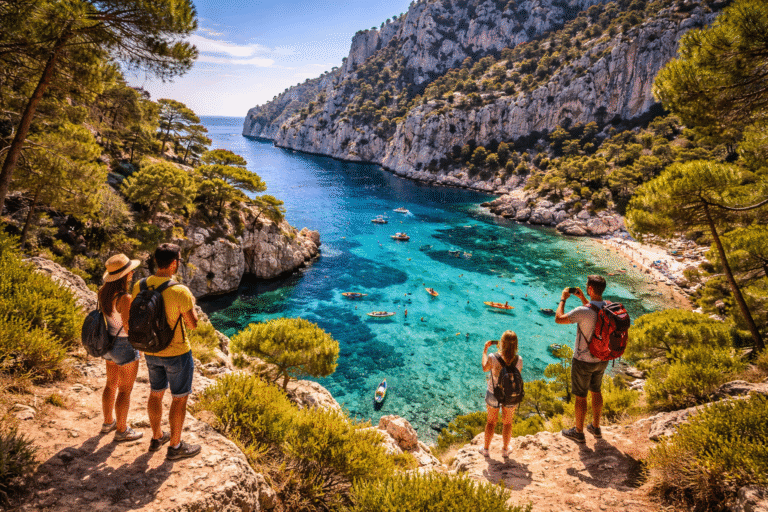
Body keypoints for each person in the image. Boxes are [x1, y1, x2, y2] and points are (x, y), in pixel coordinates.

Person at [133, 243, 200, 460]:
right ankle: (175, 446)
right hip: (177, 353)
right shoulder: (179, 290)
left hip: (151, 350)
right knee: (179, 398)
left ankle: (157, 437)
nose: (179, 264)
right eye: (179, 261)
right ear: (173, 263)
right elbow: (192, 325)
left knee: (156, 392)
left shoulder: (140, 286)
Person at [555, 275, 608, 443]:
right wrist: (583, 298)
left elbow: (559, 319)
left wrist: (563, 300)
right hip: (602, 358)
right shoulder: (608, 307)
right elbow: (593, 308)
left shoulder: (582, 312)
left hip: (583, 361)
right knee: (596, 391)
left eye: (587, 287)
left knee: (581, 397)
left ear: (590, 289)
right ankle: (596, 427)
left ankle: (578, 432)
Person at [98, 254, 143, 442]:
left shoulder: (103, 292)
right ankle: (122, 430)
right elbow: (127, 326)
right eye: (130, 270)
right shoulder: (125, 298)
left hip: (108, 342)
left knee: (110, 384)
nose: (132, 272)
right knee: (125, 390)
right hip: (124, 345)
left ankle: (108, 422)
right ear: (124, 275)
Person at [480, 330, 523, 457]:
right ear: (516, 345)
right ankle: (505, 450)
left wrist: (485, 351)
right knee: (508, 422)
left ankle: (486, 449)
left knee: (491, 422)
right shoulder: (519, 359)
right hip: (510, 395)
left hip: (493, 393)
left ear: (502, 343)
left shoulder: (493, 357)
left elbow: (484, 368)